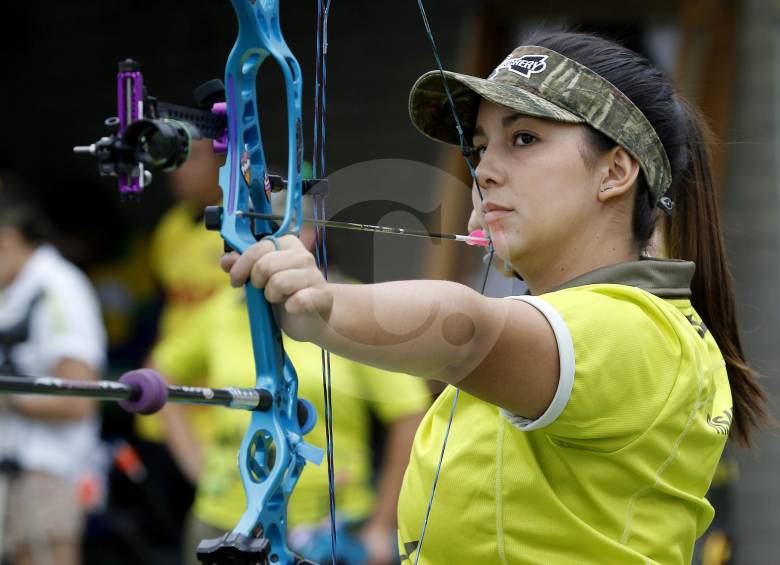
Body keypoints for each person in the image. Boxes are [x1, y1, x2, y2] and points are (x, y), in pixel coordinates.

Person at [221, 30, 769, 564]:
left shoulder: (638, 330)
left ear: (615, 170)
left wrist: (323, 308)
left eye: (524, 139)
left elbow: (467, 329)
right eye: (480, 148)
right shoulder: (575, 328)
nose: (482, 172)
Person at [151, 217, 430, 565]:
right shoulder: (222, 309)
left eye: (277, 230)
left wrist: (382, 525)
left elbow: (410, 413)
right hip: (226, 518)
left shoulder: (348, 305)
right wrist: (195, 461)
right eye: (249, 233)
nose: (259, 244)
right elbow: (161, 373)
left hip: (331, 526)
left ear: (308, 235)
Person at [0, 175, 106, 565]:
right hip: (11, 469)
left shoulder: (60, 287)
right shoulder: (14, 287)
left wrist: (11, 397)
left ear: (8, 239)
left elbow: (80, 399)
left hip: (48, 472)